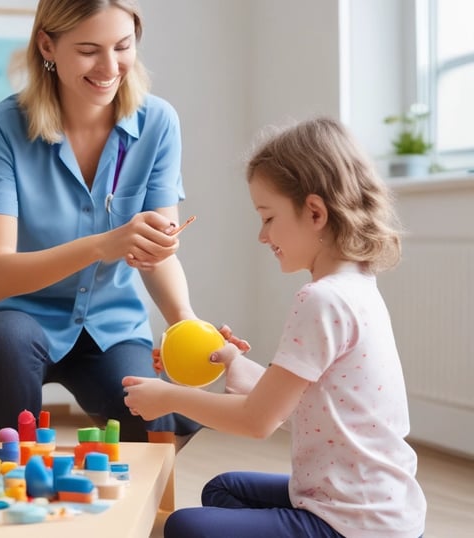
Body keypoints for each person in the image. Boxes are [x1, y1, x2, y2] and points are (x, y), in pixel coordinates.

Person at [123, 117, 427, 538]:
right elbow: (299, 400)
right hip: (376, 507)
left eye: (267, 217)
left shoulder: (321, 299)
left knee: (185, 527)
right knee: (223, 491)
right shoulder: (356, 286)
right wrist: (233, 362)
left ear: (315, 212)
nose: (262, 236)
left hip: (352, 524)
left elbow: (257, 421)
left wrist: (169, 398)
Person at [0, 0, 206, 443]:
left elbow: (157, 252)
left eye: (123, 46)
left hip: (113, 328)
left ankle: (137, 491)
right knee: (5, 339)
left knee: (159, 418)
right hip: (18, 322)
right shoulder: (2, 128)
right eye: (90, 50)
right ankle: (18, 479)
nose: (110, 66)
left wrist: (184, 324)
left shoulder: (158, 124)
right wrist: (102, 245)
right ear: (47, 45)